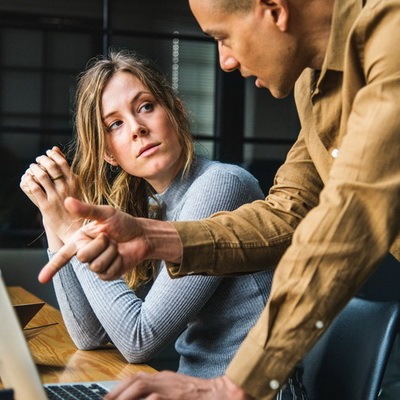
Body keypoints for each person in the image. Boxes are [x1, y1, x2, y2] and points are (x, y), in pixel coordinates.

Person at [38, 0, 400, 399]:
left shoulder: (391, 38)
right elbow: (288, 213)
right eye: (116, 124)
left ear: (274, 10)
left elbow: (347, 220)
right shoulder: (311, 85)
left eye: (222, 38)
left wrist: (235, 384)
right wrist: (152, 236)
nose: (225, 61)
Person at [20, 51, 306, 397]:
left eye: (145, 106)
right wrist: (55, 216)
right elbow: (89, 336)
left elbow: (138, 339)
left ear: (177, 111)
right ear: (110, 152)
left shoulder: (222, 184)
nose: (137, 129)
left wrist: (72, 229)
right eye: (115, 124)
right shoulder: (154, 207)